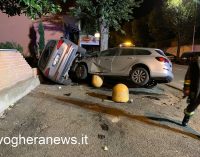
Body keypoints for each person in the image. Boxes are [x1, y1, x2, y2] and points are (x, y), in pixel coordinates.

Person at [182, 53, 200, 126]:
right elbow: (188, 77)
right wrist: (186, 88)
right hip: (195, 90)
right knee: (192, 106)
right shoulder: (195, 63)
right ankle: (186, 118)